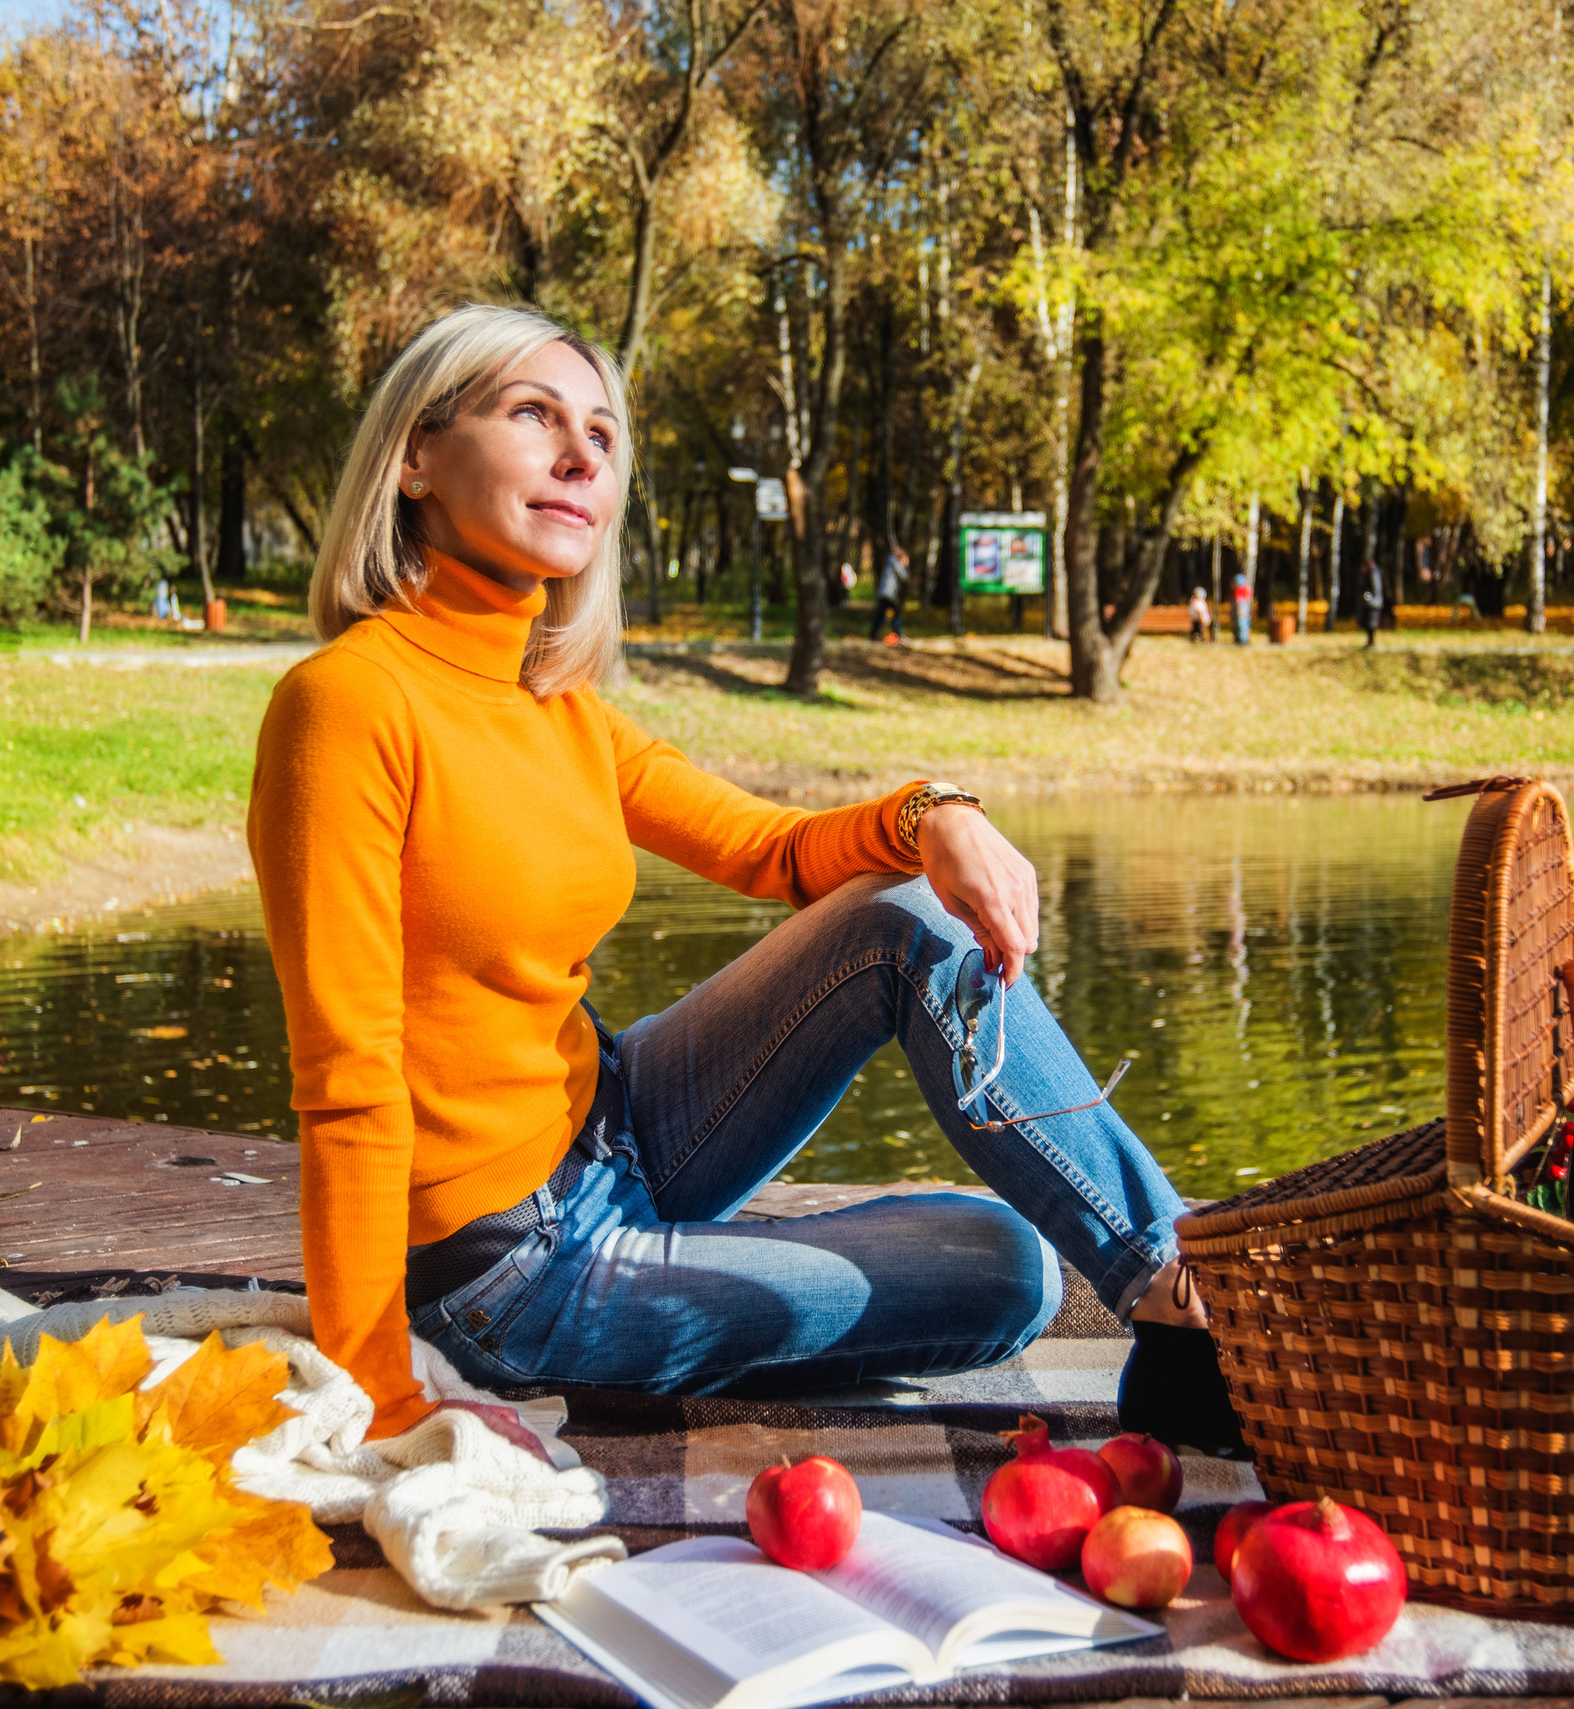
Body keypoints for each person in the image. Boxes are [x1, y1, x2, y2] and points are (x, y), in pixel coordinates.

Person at [249, 304, 1237, 1458]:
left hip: (616, 1122)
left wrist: (938, 810)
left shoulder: (553, 705)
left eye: (603, 436)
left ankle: (1187, 1293)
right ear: (414, 457)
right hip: (507, 1264)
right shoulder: (347, 705)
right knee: (1011, 1272)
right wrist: (377, 1385)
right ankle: (1197, 1311)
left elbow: (772, 850)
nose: (581, 457)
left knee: (904, 919)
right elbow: (347, 1078)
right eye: (534, 415)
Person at [869, 543, 908, 644]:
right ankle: (898, 634)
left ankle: (873, 634)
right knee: (895, 613)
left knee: (881, 614)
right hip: (888, 593)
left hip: (885, 593)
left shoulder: (890, 562)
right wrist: (904, 565)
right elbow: (904, 576)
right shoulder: (894, 562)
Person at [1230, 570, 1253, 645]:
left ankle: (1243, 639)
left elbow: (1242, 603)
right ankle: (1238, 638)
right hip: (1238, 612)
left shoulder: (1245, 590)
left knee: (1242, 625)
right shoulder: (1236, 591)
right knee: (1238, 625)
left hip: (1242, 612)